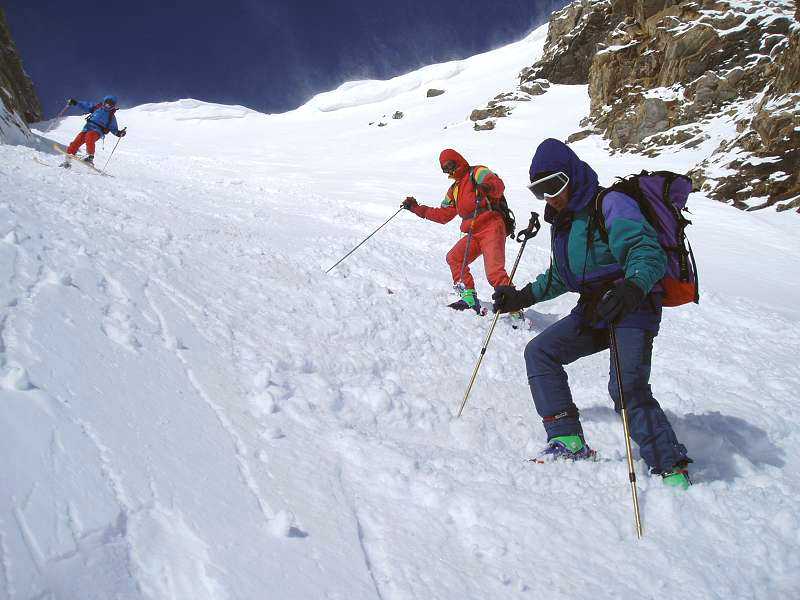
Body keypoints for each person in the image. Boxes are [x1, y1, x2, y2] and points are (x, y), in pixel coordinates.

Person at [492, 138, 692, 489]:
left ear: (572, 175)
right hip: (595, 310)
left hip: (633, 306)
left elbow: (646, 252)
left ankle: (669, 465)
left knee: (626, 388)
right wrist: (520, 297)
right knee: (540, 352)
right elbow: (561, 276)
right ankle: (567, 439)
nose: (549, 196)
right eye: (539, 191)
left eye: (554, 185)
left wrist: (631, 288)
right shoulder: (565, 222)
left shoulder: (610, 204)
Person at [402, 149, 512, 314]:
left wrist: (486, 187)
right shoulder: (454, 189)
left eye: (451, 165)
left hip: (491, 226)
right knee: (454, 258)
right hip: (473, 232)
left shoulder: (477, 172)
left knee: (494, 272)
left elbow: (498, 185)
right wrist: (417, 209)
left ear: (458, 160)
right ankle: (468, 297)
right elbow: (443, 215)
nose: (450, 171)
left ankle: (514, 308)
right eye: (445, 169)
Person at [62, 95, 126, 165]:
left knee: (90, 136)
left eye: (111, 104)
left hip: (98, 131)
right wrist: (75, 103)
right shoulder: (97, 107)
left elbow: (113, 128)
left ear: (113, 106)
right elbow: (85, 105)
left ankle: (90, 156)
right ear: (104, 102)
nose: (108, 105)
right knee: (77, 140)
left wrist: (118, 133)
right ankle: (68, 158)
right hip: (87, 128)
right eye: (107, 103)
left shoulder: (111, 116)